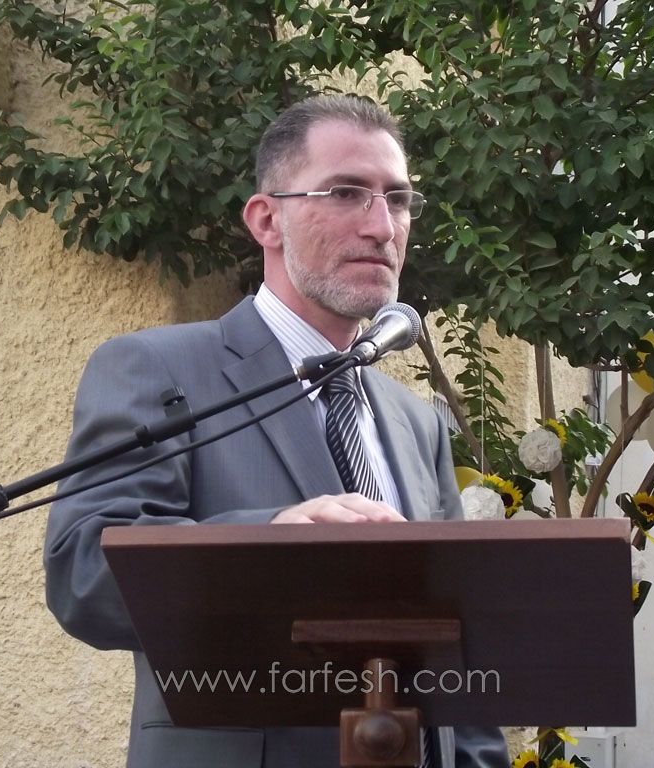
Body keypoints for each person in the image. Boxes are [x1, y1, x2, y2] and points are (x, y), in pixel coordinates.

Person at [44, 94, 509, 768]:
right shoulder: (159, 368)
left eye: (398, 199)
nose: (382, 226)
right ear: (267, 220)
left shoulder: (417, 422)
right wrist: (270, 543)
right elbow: (83, 575)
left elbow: (456, 640)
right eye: (346, 193)